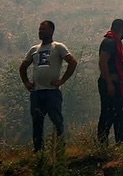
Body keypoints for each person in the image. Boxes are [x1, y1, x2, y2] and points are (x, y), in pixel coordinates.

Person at [18, 20, 78, 152]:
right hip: (37, 92)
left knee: (56, 120)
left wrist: (62, 80)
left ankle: (59, 149)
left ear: (51, 30)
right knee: (37, 122)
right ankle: (38, 151)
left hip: (52, 92)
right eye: (39, 29)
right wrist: (27, 83)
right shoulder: (34, 49)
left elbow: (72, 62)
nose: (40, 31)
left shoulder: (58, 47)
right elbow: (22, 67)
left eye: (43, 29)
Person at [97, 18, 123, 144]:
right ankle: (102, 143)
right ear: (122, 30)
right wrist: (109, 82)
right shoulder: (109, 42)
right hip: (110, 84)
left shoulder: (115, 42)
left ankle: (120, 142)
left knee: (119, 114)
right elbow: (102, 62)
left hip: (117, 84)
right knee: (108, 113)